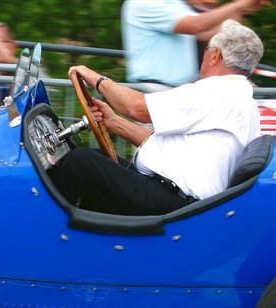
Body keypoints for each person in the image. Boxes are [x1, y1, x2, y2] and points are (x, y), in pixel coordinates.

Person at [49, 20, 263, 216]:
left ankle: (46, 232)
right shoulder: (241, 98)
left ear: (215, 55)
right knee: (94, 159)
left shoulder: (216, 91)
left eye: (206, 48)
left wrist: (97, 79)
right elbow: (162, 141)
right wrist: (113, 121)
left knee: (80, 163)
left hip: (176, 205)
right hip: (178, 198)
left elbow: (137, 108)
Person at [121, 0, 269, 89]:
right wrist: (238, 4)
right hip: (154, 90)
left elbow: (206, 33)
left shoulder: (175, 4)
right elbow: (196, 25)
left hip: (177, 91)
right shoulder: (144, 3)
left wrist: (242, 10)